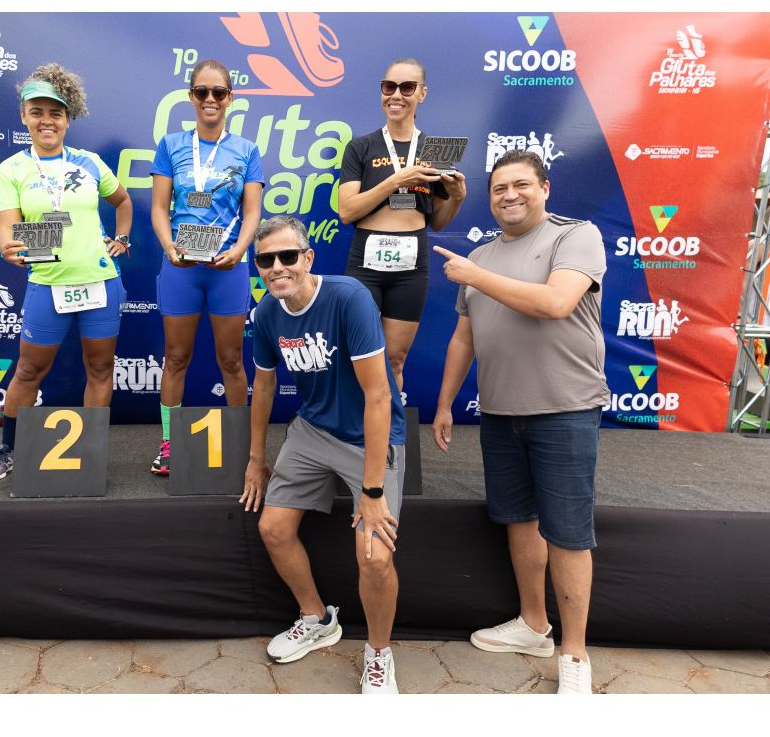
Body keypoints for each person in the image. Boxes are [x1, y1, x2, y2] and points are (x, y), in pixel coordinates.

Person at [431, 149, 608, 694]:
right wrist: (445, 403)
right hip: (500, 412)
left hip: (565, 409)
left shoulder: (575, 236)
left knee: (568, 533)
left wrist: (477, 276)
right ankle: (534, 625)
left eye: (521, 185)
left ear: (544, 188)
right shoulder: (481, 255)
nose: (509, 195)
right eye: (499, 188)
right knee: (518, 520)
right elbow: (464, 338)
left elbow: (555, 303)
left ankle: (575, 655)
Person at [240, 215, 406, 694]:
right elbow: (264, 386)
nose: (277, 267)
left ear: (308, 258)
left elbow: (379, 395)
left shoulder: (348, 297)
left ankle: (378, 653)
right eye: (265, 260)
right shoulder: (266, 313)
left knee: (374, 556)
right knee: (273, 528)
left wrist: (371, 491)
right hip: (312, 430)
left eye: (287, 256)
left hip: (368, 436)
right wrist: (256, 458)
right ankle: (316, 617)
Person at [0, 63, 132, 482]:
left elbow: (123, 201)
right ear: (24, 116)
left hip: (100, 282)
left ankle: (90, 452)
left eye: (56, 113)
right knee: (28, 371)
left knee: (100, 369)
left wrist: (122, 239)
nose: (47, 121)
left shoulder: (90, 162)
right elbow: (8, 225)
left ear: (68, 118)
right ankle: (8, 449)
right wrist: (6, 245)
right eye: (38, 112)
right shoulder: (11, 169)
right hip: (47, 284)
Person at [149, 58, 263, 475]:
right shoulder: (171, 145)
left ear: (230, 97)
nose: (210, 99)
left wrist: (241, 250)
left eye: (218, 92)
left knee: (231, 359)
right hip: (181, 266)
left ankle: (238, 443)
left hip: (227, 267)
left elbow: (253, 212)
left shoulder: (247, 150)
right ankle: (169, 443)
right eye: (202, 92)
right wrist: (168, 245)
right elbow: (159, 208)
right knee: (175, 357)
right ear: (191, 97)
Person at [338, 57, 466, 394]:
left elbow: (438, 222)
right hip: (365, 262)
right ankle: (356, 425)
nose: (396, 95)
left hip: (411, 265)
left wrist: (457, 198)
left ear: (422, 94)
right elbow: (347, 211)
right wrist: (396, 180)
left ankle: (390, 427)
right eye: (389, 86)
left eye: (407, 87)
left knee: (395, 360)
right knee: (358, 357)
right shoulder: (360, 147)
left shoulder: (436, 150)